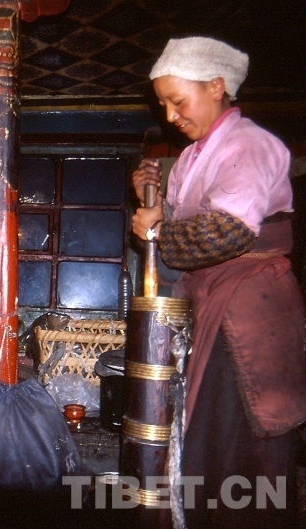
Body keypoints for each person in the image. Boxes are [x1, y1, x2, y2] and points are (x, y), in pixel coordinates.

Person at [131, 36, 306, 528]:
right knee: (201, 445)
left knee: (235, 449)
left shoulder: (248, 143)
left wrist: (159, 229)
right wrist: (150, 203)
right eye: (163, 105)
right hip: (208, 303)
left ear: (215, 86)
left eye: (177, 101)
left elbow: (226, 232)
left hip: (245, 312)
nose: (170, 116)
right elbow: (174, 240)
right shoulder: (192, 158)